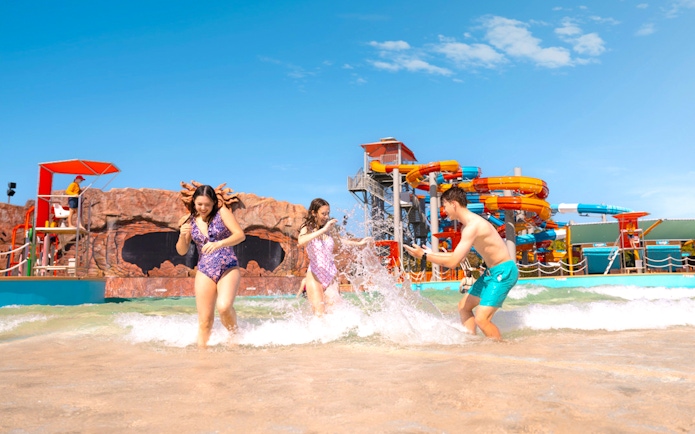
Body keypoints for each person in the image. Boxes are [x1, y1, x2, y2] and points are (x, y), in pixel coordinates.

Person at [404, 186, 518, 340]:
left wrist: (424, 256)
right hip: (491, 273)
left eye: (445, 205)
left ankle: (505, 351)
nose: (444, 210)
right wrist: (431, 253)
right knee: (464, 307)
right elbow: (458, 256)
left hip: (504, 272)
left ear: (454, 204)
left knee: (482, 319)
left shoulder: (473, 226)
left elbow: (453, 262)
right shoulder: (467, 227)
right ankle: (471, 341)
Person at [176, 184, 246, 348]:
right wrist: (182, 235)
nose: (203, 208)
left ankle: (234, 338)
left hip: (228, 266)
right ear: (194, 202)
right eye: (199, 204)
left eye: (207, 205)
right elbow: (181, 250)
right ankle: (202, 356)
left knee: (223, 307)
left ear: (214, 203)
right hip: (205, 270)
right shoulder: (189, 221)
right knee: (205, 320)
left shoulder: (222, 213)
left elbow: (240, 235)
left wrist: (220, 243)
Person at [297, 198, 371, 316]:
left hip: (331, 274)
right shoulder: (307, 228)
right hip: (315, 274)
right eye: (323, 214)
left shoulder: (329, 230)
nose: (326, 217)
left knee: (336, 313)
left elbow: (339, 241)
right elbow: (301, 241)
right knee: (319, 314)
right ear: (313, 213)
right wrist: (323, 230)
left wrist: (359, 243)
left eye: (328, 213)